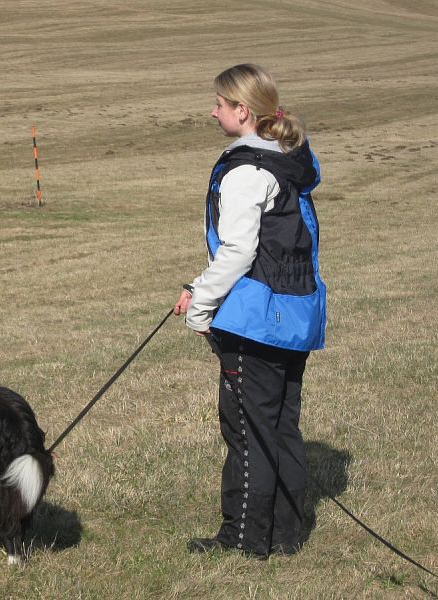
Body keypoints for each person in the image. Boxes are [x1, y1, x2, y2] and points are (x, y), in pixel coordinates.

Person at [173, 64, 326, 559]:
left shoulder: (245, 172)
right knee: (280, 427)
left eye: (219, 104)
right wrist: (196, 288)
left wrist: (202, 312)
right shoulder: (287, 159)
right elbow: (264, 250)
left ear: (243, 112)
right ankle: (286, 536)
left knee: (246, 432)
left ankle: (242, 540)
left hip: (255, 322)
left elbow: (238, 252)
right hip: (295, 316)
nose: (212, 111)